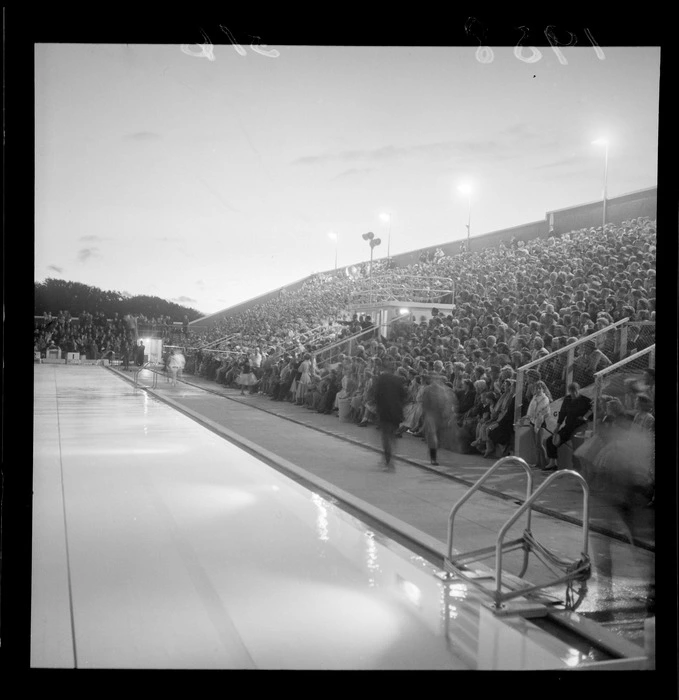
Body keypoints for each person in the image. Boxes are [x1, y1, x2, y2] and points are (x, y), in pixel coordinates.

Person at [542, 382, 592, 471]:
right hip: (568, 427)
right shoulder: (567, 399)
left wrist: (585, 418)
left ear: (578, 391)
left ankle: (578, 469)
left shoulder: (586, 401)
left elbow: (592, 414)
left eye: (575, 392)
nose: (573, 394)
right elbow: (562, 414)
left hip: (579, 428)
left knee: (577, 448)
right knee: (550, 441)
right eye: (571, 392)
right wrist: (557, 427)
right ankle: (553, 463)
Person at [373, 361, 408, 470]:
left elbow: (376, 395)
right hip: (396, 411)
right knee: (392, 436)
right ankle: (389, 458)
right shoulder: (398, 380)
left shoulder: (381, 379)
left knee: (386, 437)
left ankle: (389, 462)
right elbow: (404, 395)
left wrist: (377, 408)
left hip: (384, 411)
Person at [421, 371, 453, 465]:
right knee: (433, 436)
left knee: (436, 436)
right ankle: (433, 458)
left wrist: (445, 413)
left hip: (437, 415)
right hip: (431, 415)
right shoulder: (429, 390)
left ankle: (434, 454)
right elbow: (424, 403)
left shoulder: (441, 390)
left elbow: (446, 402)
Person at [525, 380, 552, 468]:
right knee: (535, 445)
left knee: (539, 444)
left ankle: (544, 463)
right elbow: (531, 410)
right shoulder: (534, 397)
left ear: (543, 389)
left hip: (540, 423)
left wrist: (537, 422)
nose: (538, 390)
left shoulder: (545, 398)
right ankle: (537, 463)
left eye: (540, 388)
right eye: (536, 388)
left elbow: (542, 412)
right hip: (532, 422)